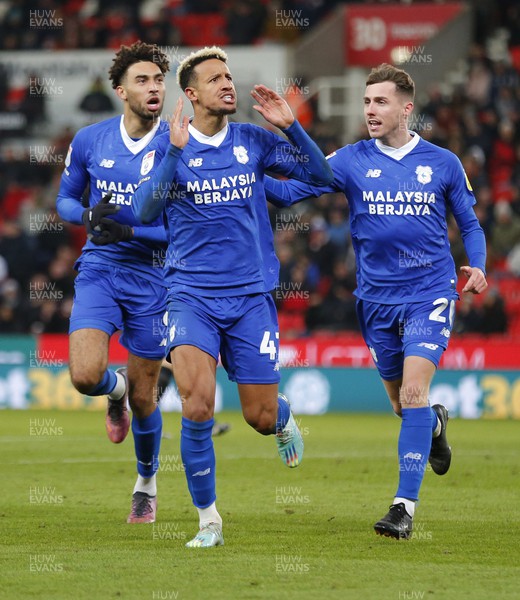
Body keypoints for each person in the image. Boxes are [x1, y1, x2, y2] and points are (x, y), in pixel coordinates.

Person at [264, 63, 488, 539]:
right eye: (366, 102)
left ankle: (403, 507)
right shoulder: (350, 159)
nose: (370, 110)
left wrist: (480, 265)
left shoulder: (442, 162)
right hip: (375, 300)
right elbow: (291, 191)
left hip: (429, 293)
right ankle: (432, 427)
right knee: (402, 404)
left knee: (412, 393)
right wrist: (240, 176)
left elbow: (469, 224)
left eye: (380, 102)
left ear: (407, 109)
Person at [132, 46, 333, 548]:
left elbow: (322, 178)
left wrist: (291, 127)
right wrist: (175, 152)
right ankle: (209, 522)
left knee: (258, 418)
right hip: (190, 296)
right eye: (215, 78)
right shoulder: (166, 145)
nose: (228, 84)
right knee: (197, 404)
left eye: (229, 76)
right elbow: (143, 211)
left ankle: (282, 415)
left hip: (249, 299)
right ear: (192, 93)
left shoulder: (253, 141)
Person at [56, 41, 171, 525]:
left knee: (147, 399)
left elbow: (182, 227)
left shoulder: (177, 144)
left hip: (156, 275)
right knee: (84, 376)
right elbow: (64, 199)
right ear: (121, 90)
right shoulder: (90, 140)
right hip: (100, 267)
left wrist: (134, 231)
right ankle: (113, 390)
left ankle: (146, 483)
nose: (154, 89)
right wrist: (85, 215)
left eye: (159, 81)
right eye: (143, 80)